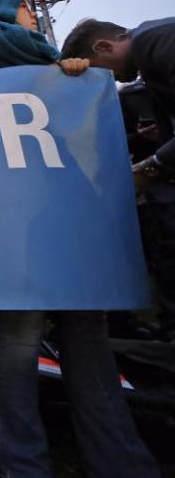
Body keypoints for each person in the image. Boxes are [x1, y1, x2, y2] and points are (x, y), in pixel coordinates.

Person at [0, 0, 159, 478]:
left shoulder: (54, 67)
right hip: (10, 234)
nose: (33, 15)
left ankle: (121, 461)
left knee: (89, 343)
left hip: (66, 228)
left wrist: (70, 81)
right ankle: (21, 464)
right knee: (14, 347)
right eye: (23, 6)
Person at [62, 17, 175, 340]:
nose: (110, 82)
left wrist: (152, 165)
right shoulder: (151, 57)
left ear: (104, 47)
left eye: (104, 73)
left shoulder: (155, 42)